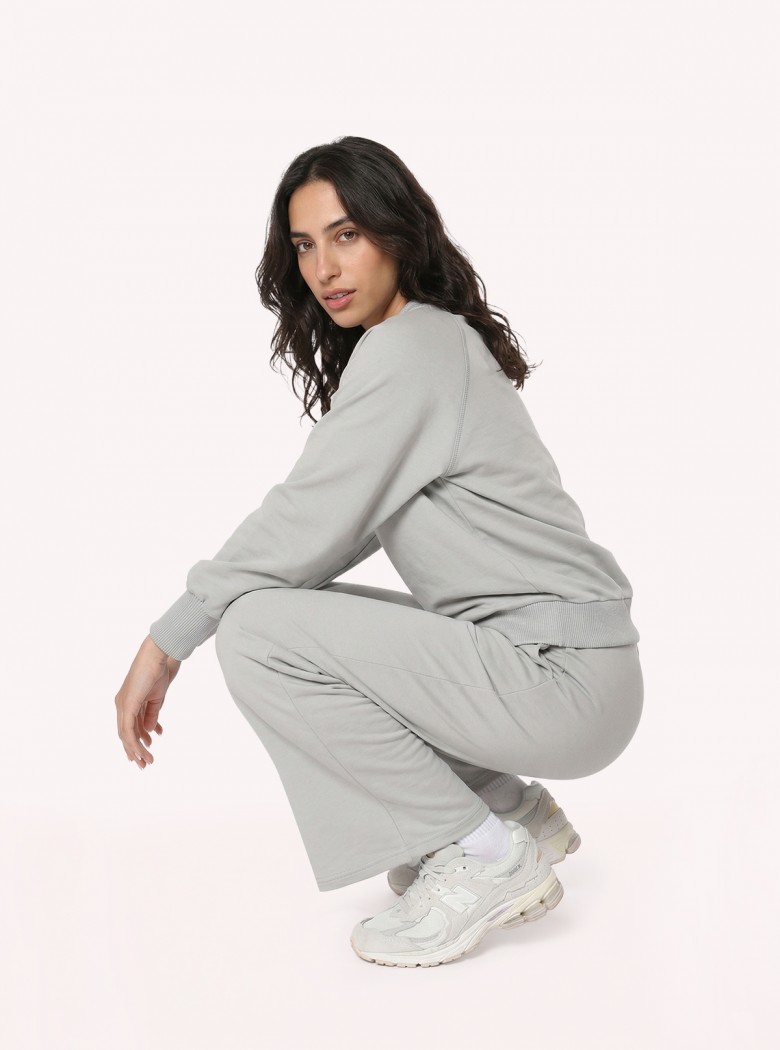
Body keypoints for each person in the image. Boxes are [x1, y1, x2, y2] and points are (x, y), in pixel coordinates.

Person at [114, 135, 644, 968]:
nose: (324, 267)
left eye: (347, 234)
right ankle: (507, 811)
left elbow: (305, 519)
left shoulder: (413, 347)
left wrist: (166, 642)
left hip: (560, 677)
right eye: (305, 245)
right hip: (567, 670)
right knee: (277, 612)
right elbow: (328, 536)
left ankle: (483, 852)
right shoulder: (422, 344)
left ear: (398, 233)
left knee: (258, 634)